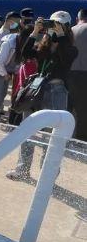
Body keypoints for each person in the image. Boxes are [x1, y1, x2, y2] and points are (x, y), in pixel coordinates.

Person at [7, 12, 78, 180]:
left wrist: (61, 36)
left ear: (67, 27)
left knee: (52, 135)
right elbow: (25, 53)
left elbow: (67, 58)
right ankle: (22, 170)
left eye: (58, 25)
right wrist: (35, 32)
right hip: (37, 90)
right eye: (52, 24)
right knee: (28, 129)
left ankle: (48, 175)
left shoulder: (70, 48)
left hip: (56, 91)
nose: (54, 28)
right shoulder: (43, 45)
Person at [70, 9, 87, 141]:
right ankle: (82, 141)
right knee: (84, 111)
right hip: (84, 75)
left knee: (71, 108)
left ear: (77, 19)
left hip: (69, 74)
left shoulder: (70, 30)